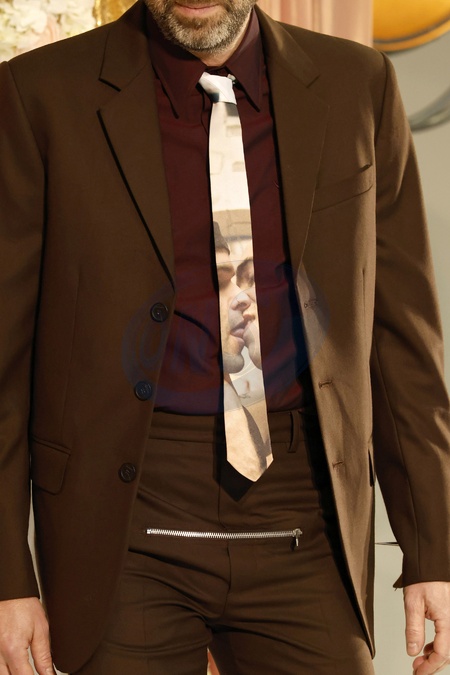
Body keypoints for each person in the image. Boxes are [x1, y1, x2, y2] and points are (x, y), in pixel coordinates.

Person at [0, 1, 450, 674]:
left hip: (306, 511)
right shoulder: (40, 94)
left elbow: (401, 339)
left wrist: (434, 550)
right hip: (126, 520)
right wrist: (7, 575)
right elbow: (4, 356)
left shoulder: (359, 84)